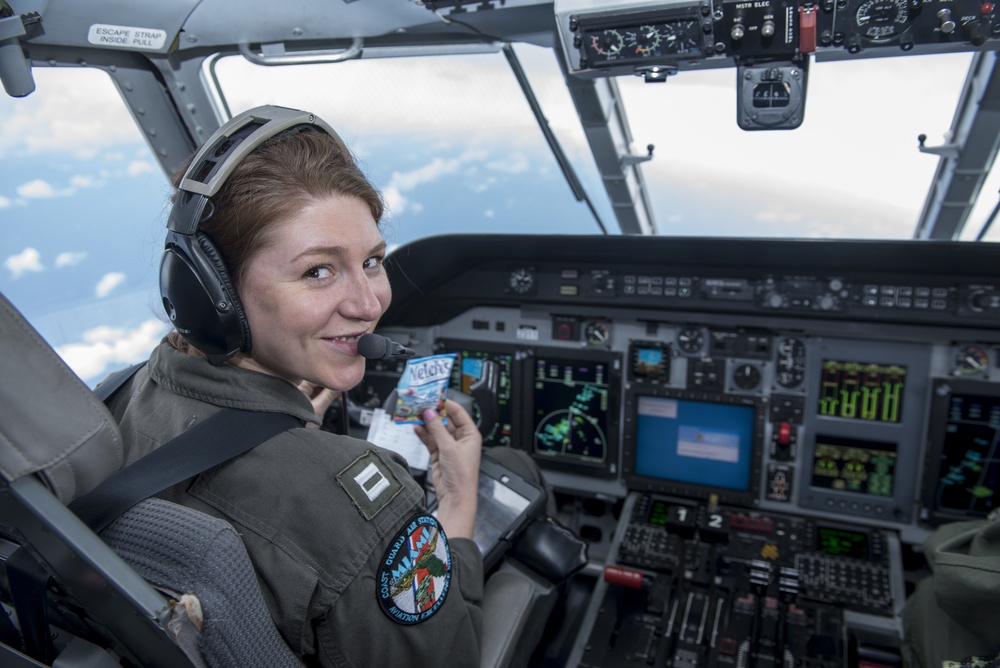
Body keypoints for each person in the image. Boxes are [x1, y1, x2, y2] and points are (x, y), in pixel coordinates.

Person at [101, 105, 485, 667]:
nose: (367, 304)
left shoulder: (112, 399)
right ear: (212, 294)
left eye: (373, 261)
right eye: (317, 271)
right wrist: (457, 502)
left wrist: (288, 426)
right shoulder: (366, 514)